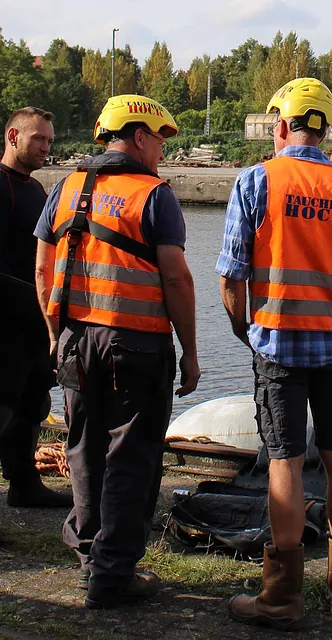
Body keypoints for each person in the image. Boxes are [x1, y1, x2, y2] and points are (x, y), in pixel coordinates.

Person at [217, 78, 332, 630]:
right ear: (325, 129)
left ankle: (282, 596)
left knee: (285, 460)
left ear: (280, 126)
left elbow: (231, 276)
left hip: (277, 347)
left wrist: (245, 327)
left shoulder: (255, 181)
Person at [34, 94, 200, 609]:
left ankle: (90, 559)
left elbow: (42, 269)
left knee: (83, 448)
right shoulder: (153, 196)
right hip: (137, 344)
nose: (163, 153)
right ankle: (112, 577)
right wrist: (191, 351)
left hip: (75, 341)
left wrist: (54, 334)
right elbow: (175, 277)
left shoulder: (65, 188)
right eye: (160, 141)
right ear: (140, 136)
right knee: (132, 457)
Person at [0, 106, 72, 508]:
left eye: (49, 140)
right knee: (4, 405)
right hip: (7, 324)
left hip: (33, 325)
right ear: (13, 138)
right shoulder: (1, 185)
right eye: (38, 139)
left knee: (32, 402)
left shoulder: (36, 190)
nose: (46, 147)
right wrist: (35, 303)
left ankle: (24, 484)